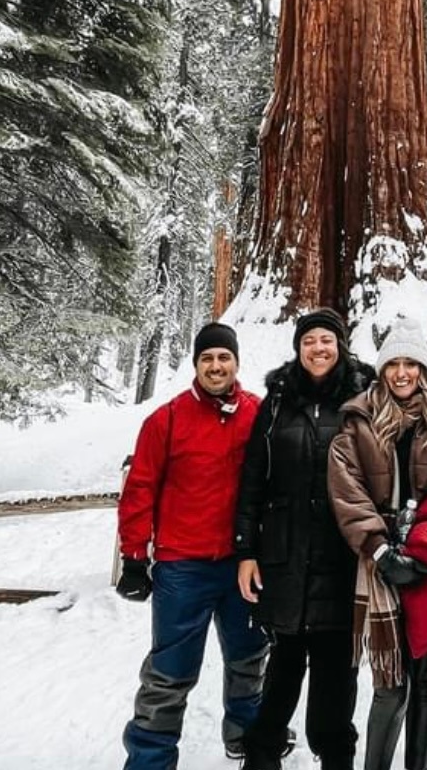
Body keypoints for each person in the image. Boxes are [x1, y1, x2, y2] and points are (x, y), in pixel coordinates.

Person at [117, 322, 268, 770]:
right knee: (170, 669)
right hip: (183, 567)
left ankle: (245, 733)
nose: (216, 365)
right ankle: (150, 756)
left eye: (224, 357)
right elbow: (140, 489)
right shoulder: (166, 419)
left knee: (249, 657)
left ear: (236, 363)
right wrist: (132, 556)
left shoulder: (258, 415)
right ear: (196, 365)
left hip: (242, 565)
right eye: (207, 358)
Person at [328, 317, 427, 770]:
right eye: (394, 363)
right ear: (382, 368)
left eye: (412, 363)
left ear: (424, 369)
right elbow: (346, 487)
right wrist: (378, 549)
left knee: (426, 677)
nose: (403, 373)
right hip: (378, 561)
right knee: (390, 681)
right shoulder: (358, 420)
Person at [234, 307, 374, 770]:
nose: (318, 348)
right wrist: (246, 550)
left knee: (337, 678)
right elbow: (253, 478)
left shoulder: (364, 396)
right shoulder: (277, 402)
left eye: (327, 340)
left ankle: (336, 758)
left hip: (342, 559)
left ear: (341, 346)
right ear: (298, 348)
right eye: (309, 340)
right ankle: (261, 757)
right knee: (282, 673)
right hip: (286, 558)